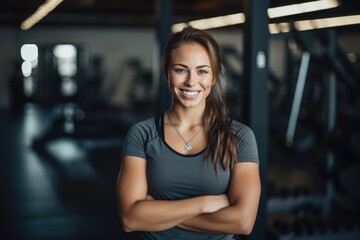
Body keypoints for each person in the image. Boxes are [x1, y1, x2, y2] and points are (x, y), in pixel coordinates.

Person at [116, 26, 261, 240]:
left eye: (202, 71)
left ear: (213, 77)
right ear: (167, 73)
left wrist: (155, 213)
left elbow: (243, 222)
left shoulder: (239, 137)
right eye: (181, 70)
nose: (191, 81)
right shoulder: (142, 134)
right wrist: (204, 203)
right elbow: (130, 219)